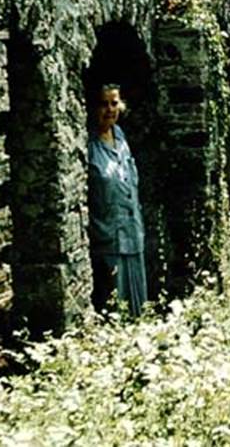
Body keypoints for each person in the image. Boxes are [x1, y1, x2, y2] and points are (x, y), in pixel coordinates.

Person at [87, 83, 147, 316]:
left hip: (132, 234)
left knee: (138, 306)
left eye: (114, 103)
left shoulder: (120, 137)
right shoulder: (89, 145)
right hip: (107, 238)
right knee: (113, 307)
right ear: (94, 107)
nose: (110, 109)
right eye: (104, 104)